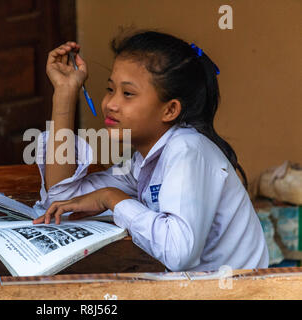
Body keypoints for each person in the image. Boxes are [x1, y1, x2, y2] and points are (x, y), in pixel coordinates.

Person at [32, 30, 269, 272]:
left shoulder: (187, 151)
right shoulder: (143, 161)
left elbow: (177, 253)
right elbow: (63, 199)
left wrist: (112, 198)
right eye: (110, 89)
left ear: (170, 110)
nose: (111, 104)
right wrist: (65, 92)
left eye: (128, 94)